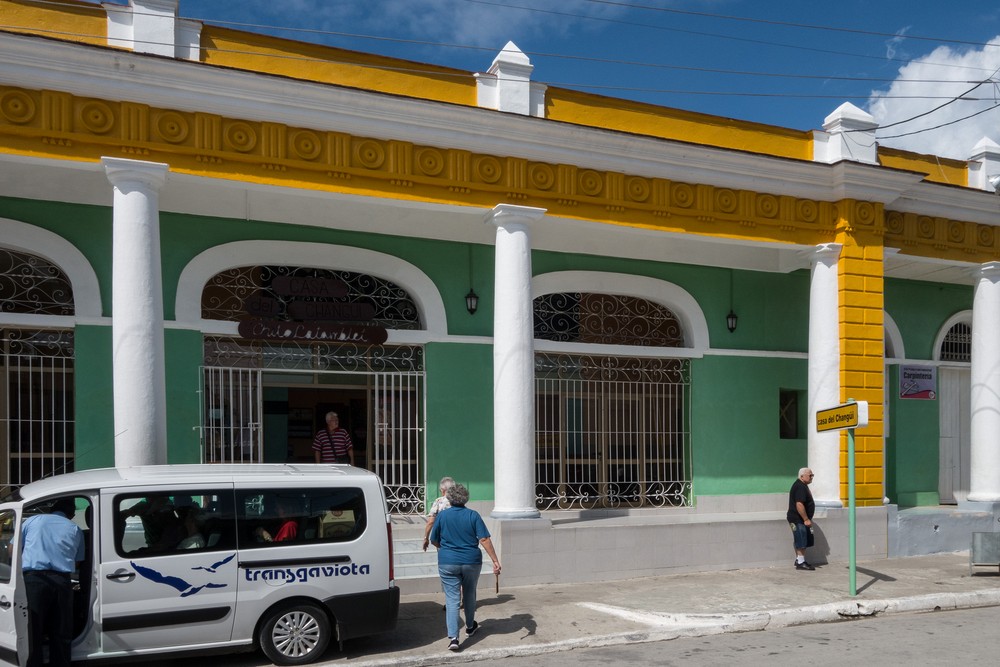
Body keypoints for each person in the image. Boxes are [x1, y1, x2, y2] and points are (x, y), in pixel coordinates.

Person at [429, 484, 501, 652]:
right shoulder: (473, 515)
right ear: (466, 498)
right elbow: (484, 539)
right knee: (469, 593)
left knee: (452, 599)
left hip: (447, 562)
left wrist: (446, 548)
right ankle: (470, 627)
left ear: (450, 498)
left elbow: (434, 540)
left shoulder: (443, 516)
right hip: (471, 561)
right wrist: (495, 560)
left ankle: (453, 638)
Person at [21, 497, 85, 667]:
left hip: (33, 580)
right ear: (71, 514)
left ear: (52, 509)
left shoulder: (33, 520)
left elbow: (14, 549)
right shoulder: (75, 529)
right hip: (61, 582)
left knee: (33, 630)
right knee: (61, 631)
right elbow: (77, 561)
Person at [787, 467, 816, 571]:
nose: (812, 477)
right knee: (801, 538)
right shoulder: (800, 487)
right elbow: (799, 504)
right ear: (802, 476)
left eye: (812, 475)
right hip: (797, 519)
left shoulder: (802, 485)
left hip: (799, 519)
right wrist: (806, 519)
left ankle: (799, 559)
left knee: (802, 538)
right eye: (810, 475)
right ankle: (800, 562)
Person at [422, 476, 456, 551]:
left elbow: (431, 522)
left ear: (443, 490)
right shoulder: (459, 501)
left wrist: (426, 538)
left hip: (443, 539)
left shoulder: (438, 501)